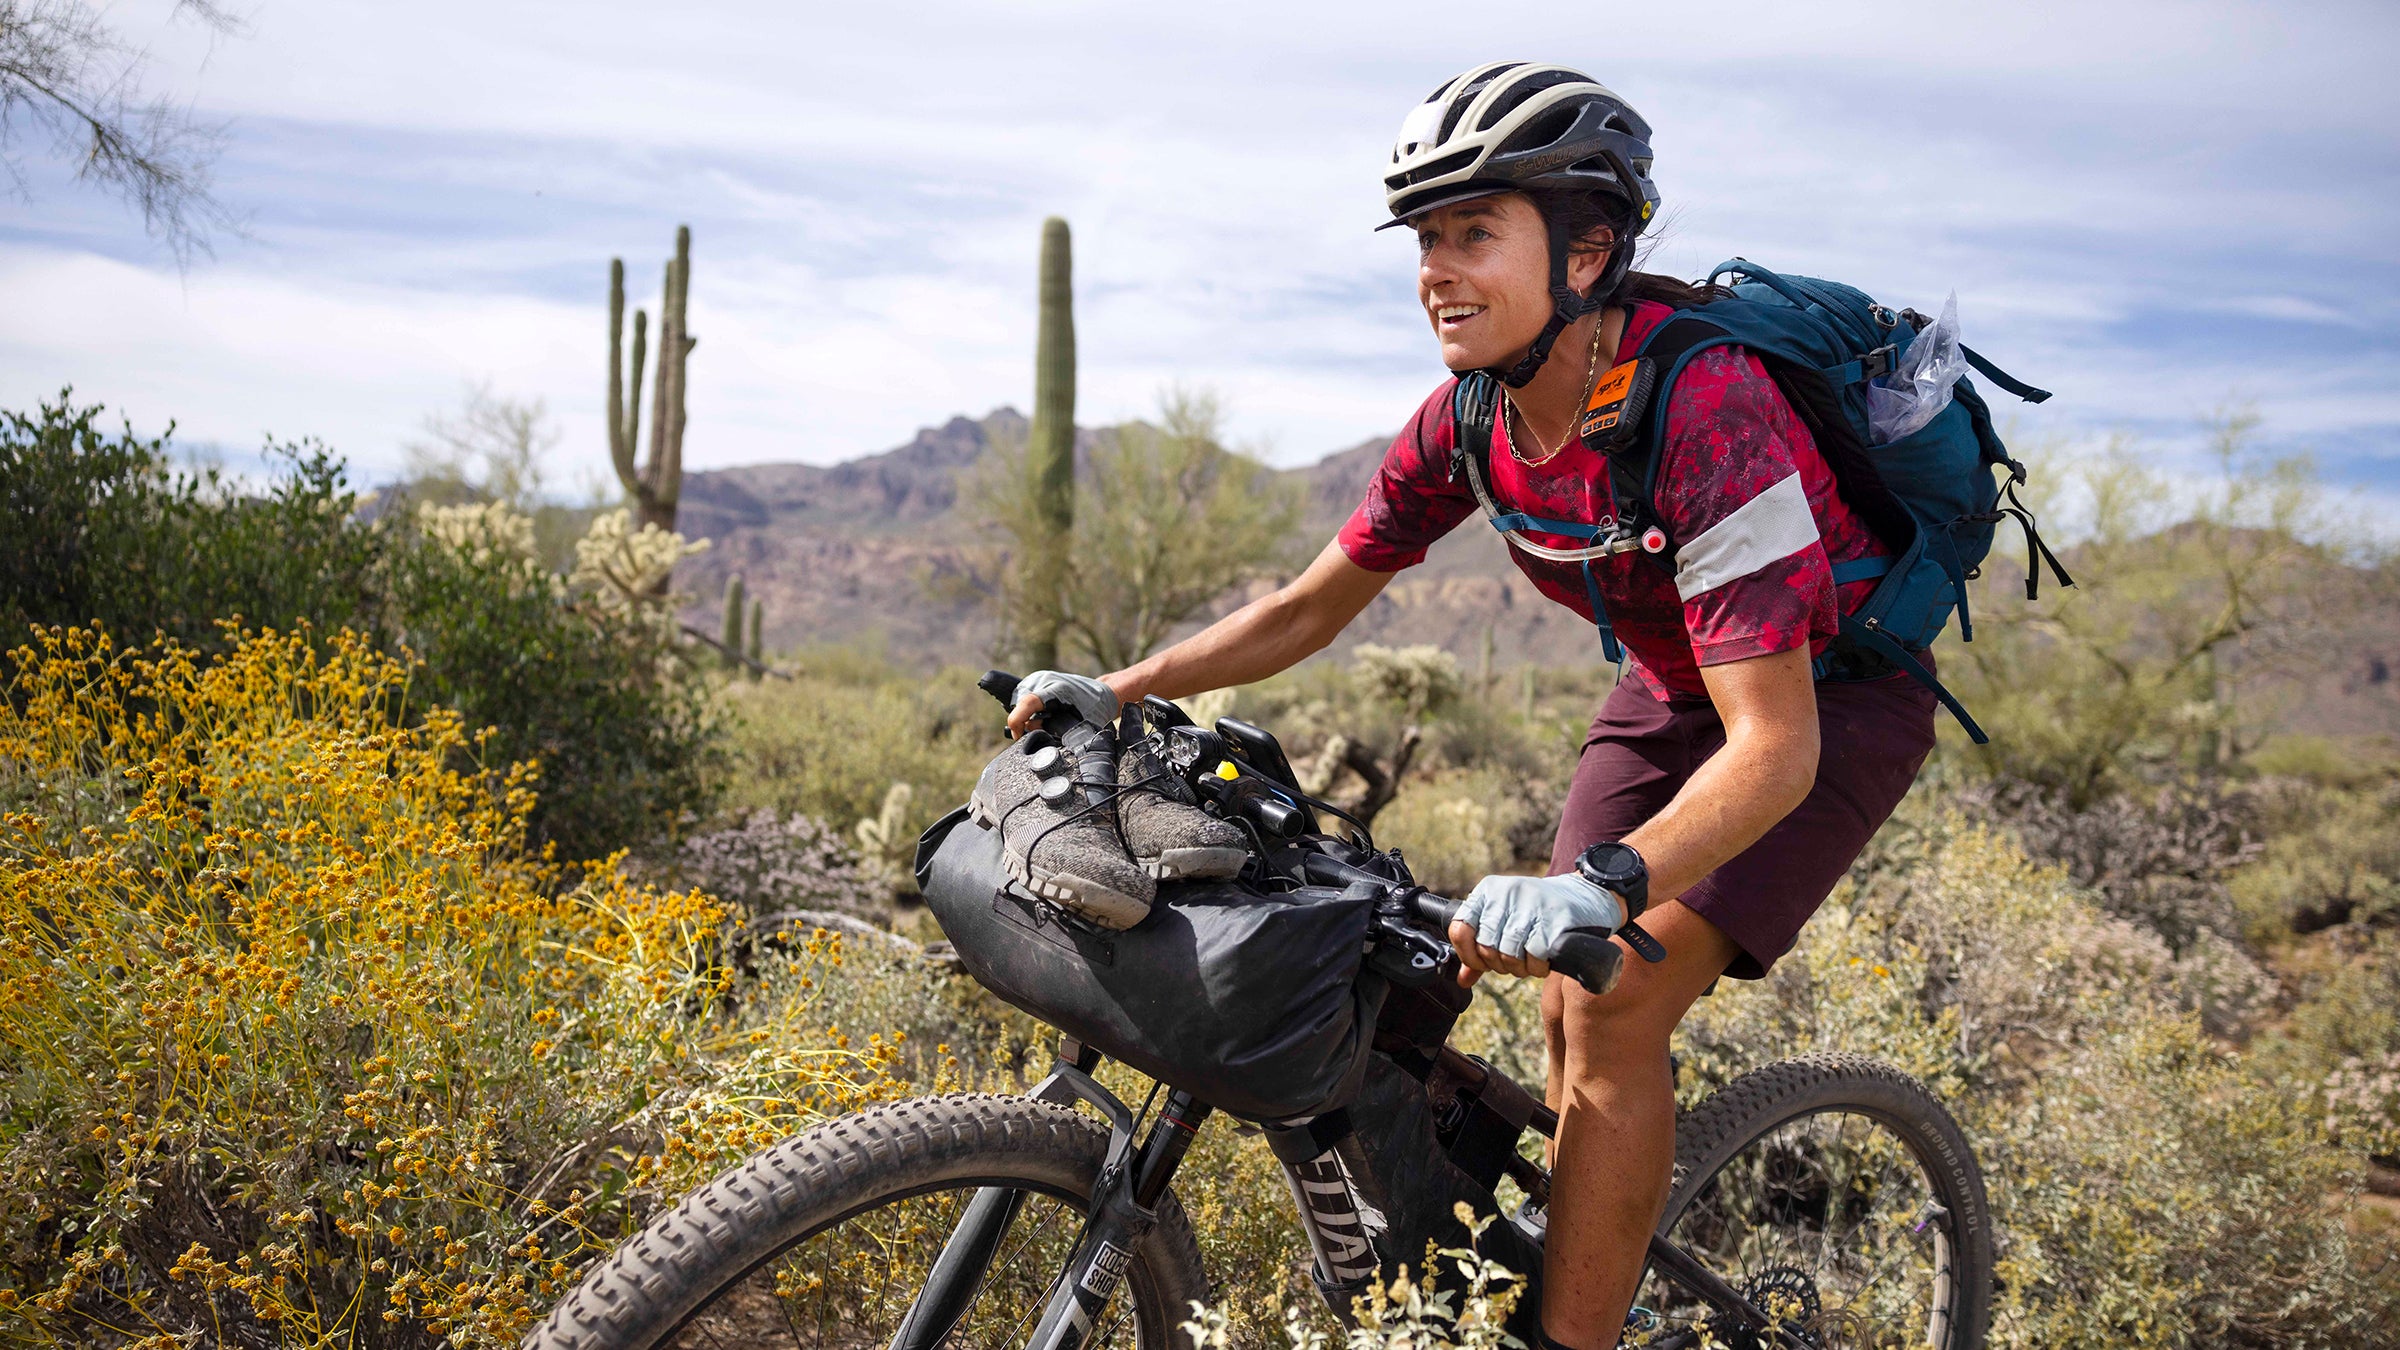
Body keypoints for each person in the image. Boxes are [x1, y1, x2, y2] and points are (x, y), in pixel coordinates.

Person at [1005, 61, 1936, 1348]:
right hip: (1675, 687)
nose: (1439, 268)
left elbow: (1775, 747)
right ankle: (1585, 1242)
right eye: (1428, 238)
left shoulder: (1709, 406)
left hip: (1829, 705)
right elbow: (1309, 606)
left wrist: (1604, 883)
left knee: (1611, 998)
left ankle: (1574, 1336)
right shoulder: (1473, 418)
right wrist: (1125, 688)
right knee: (1560, 1001)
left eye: (1477, 232)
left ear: (1589, 251)